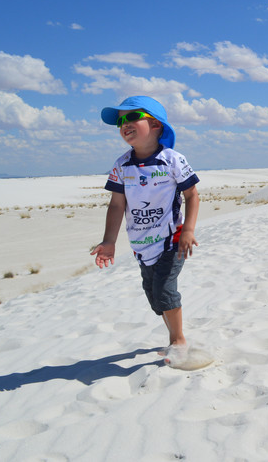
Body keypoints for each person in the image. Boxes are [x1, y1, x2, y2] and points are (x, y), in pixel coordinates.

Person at [91, 96, 200, 357]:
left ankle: (179, 342)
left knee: (164, 290)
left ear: (156, 125)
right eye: (120, 122)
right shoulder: (122, 165)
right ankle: (174, 338)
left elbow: (192, 195)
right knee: (154, 295)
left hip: (171, 240)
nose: (124, 124)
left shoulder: (172, 160)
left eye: (131, 117)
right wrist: (109, 241)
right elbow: (117, 205)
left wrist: (188, 230)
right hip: (141, 245)